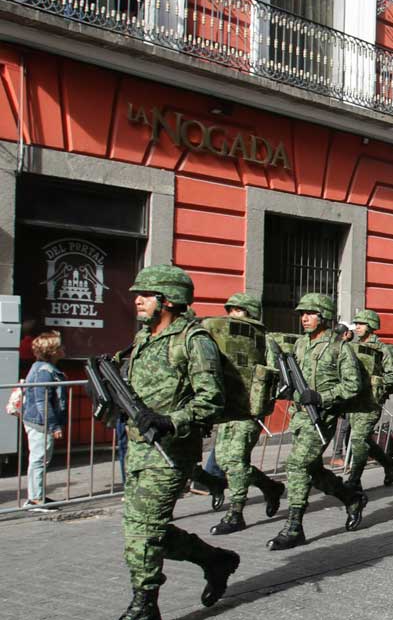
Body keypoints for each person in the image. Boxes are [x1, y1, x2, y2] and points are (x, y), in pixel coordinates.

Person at [116, 265, 238, 620]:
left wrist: (172, 421)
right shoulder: (145, 338)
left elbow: (210, 400)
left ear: (167, 300)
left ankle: (145, 606)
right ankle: (215, 560)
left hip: (171, 453)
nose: (137, 299)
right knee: (140, 530)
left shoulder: (194, 341)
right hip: (139, 449)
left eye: (146, 294)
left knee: (144, 534)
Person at [267, 293, 369, 551]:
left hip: (322, 417)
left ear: (323, 316)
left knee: (297, 465)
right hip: (300, 417)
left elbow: (352, 386)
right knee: (312, 470)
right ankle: (351, 497)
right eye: (302, 314)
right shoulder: (300, 345)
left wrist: (322, 396)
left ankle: (294, 526)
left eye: (310, 314)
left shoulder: (339, 348)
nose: (304, 318)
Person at [207, 293, 285, 535]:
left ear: (250, 313)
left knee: (235, 461)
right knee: (223, 459)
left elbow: (274, 373)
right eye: (230, 310)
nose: (232, 314)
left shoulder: (263, 340)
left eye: (238, 310)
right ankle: (271, 487)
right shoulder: (221, 336)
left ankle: (236, 512)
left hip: (249, 410)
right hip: (227, 408)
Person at [342, 309, 393, 492]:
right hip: (354, 402)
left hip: (371, 404)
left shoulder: (381, 349)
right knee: (364, 441)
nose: (357, 327)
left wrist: (378, 387)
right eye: (357, 324)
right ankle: (389, 464)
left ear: (371, 326)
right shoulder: (351, 346)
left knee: (358, 438)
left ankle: (355, 479)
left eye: (361, 324)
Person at [22, 331, 67, 510]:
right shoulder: (44, 371)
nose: (63, 349)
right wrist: (53, 425)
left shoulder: (43, 368)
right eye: (60, 346)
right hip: (40, 423)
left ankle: (37, 496)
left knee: (40, 459)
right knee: (39, 460)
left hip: (38, 422)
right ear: (52, 351)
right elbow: (43, 401)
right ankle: (34, 499)